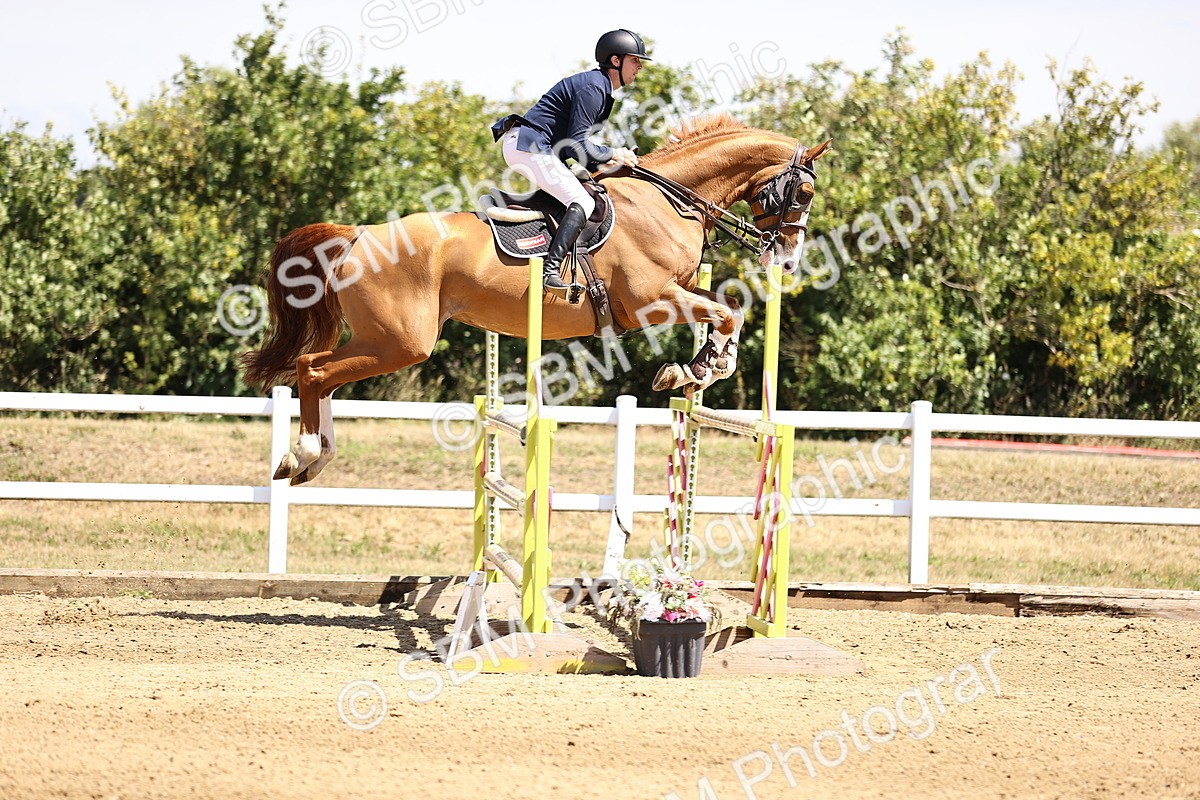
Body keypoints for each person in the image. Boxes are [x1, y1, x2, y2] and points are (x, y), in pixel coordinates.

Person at [490, 29, 651, 297]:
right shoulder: (594, 88)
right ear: (616, 61)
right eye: (635, 60)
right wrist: (615, 153)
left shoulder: (600, 88)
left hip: (536, 146)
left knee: (581, 192)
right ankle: (549, 272)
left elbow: (573, 147)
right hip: (530, 145)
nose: (639, 67)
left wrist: (608, 165)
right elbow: (578, 144)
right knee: (583, 202)